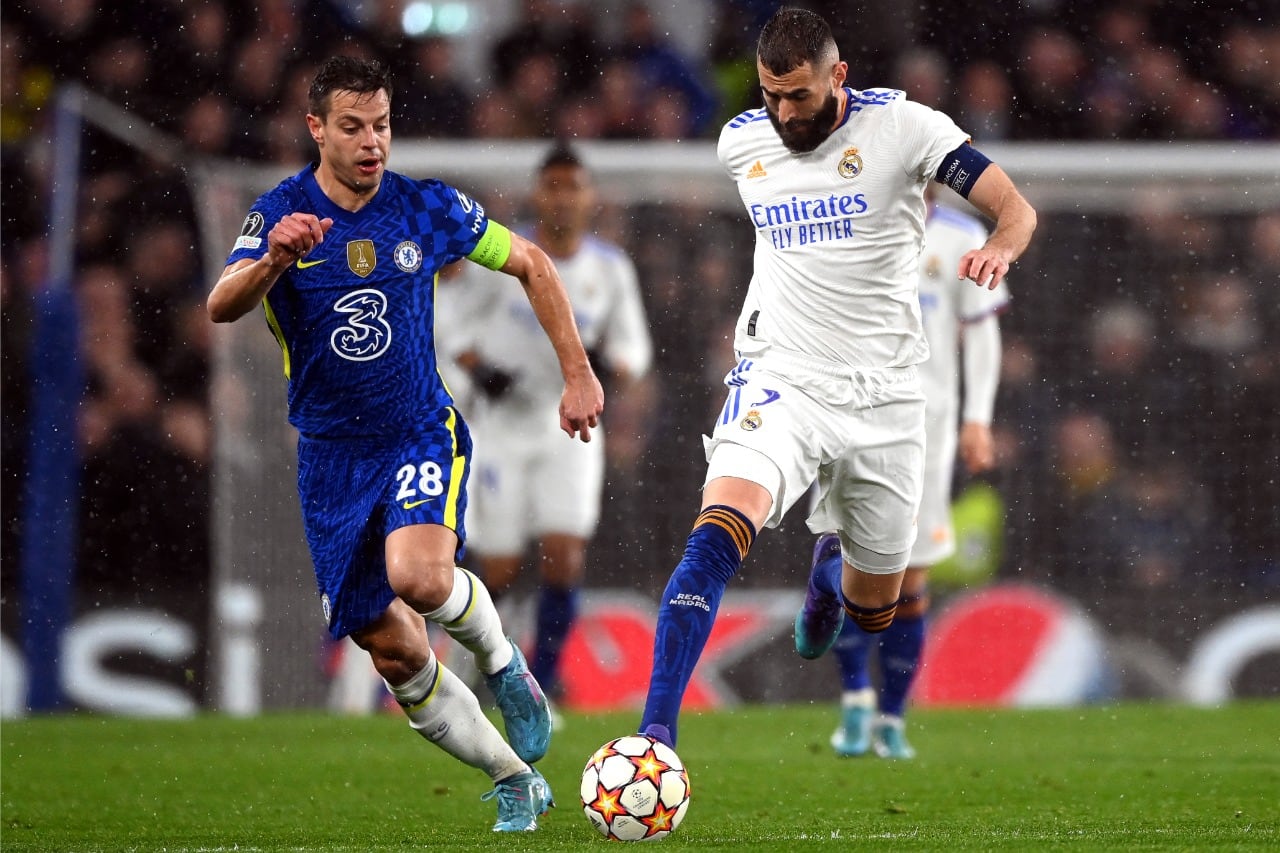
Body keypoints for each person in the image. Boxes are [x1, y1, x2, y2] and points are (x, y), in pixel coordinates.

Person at [205, 56, 604, 832]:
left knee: (419, 578)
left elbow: (530, 261)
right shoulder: (279, 212)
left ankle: (503, 662)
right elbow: (221, 304)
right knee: (395, 654)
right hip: (330, 457)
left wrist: (578, 372)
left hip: (419, 429)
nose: (372, 142)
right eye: (353, 127)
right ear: (316, 128)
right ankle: (513, 776)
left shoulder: (425, 207)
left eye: (382, 125)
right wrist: (275, 258)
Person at [635, 6, 1036, 750]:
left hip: (887, 394)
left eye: (800, 95)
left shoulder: (905, 129)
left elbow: (1014, 208)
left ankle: (827, 576)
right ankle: (654, 736)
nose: (785, 113)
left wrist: (1001, 248)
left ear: (839, 75)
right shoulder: (741, 141)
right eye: (771, 95)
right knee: (716, 533)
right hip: (782, 376)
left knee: (876, 607)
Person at [438, 141, 653, 718]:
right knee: (500, 566)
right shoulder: (504, 256)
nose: (562, 198)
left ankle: (546, 684)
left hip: (570, 428)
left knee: (565, 553)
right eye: (552, 186)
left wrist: (608, 367)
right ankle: (479, 664)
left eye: (572, 186)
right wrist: (479, 369)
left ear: (590, 198)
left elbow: (635, 348)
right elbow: (449, 318)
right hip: (501, 427)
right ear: (537, 194)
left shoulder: (610, 269)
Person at [825, 192, 1010, 760]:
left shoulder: (962, 236)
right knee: (847, 561)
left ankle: (892, 716)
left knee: (909, 578)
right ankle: (855, 696)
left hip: (926, 428)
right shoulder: (842, 220)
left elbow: (981, 330)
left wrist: (977, 419)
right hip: (849, 416)